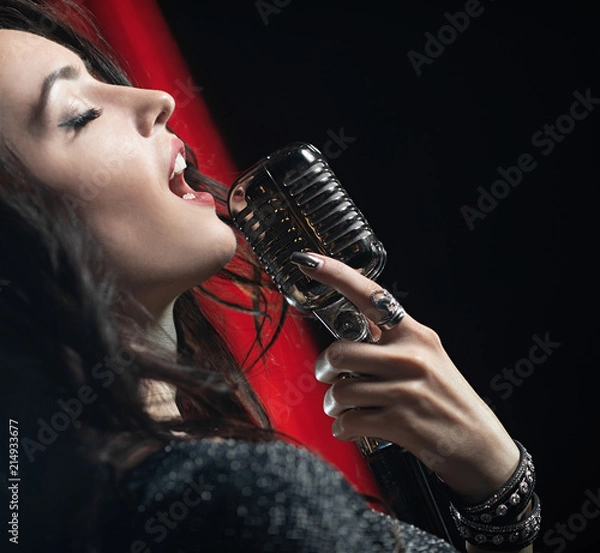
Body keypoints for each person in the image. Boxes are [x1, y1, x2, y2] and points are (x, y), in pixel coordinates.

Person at [0, 1, 541, 551]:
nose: (158, 100)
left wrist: (490, 500)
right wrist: (504, 483)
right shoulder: (245, 499)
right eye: (77, 115)